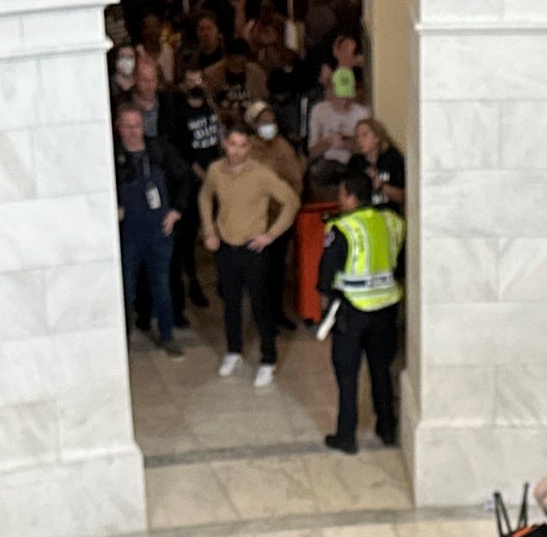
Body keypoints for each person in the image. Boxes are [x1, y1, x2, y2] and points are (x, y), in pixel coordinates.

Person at [202, 117, 301, 386]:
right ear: (225, 144)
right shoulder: (215, 171)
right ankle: (234, 351)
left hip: (253, 248)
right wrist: (209, 230)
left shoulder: (261, 173)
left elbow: (291, 201)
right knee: (230, 304)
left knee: (260, 305)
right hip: (226, 246)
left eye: (243, 145)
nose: (238, 151)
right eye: (233, 145)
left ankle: (268, 358)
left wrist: (270, 235)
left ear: (249, 147)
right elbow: (205, 196)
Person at [322, 174, 407, 455]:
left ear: (351, 198)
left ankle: (346, 436)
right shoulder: (392, 221)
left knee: (347, 376)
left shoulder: (342, 227)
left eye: (341, 195)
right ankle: (387, 428)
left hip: (352, 311)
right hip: (386, 308)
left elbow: (326, 274)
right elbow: (401, 263)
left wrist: (326, 301)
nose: (338, 200)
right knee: (381, 370)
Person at [113, 104, 183, 353]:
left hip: (159, 233)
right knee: (126, 288)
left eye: (137, 125)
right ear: (118, 128)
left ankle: (167, 336)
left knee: (162, 286)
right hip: (128, 234)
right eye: (127, 126)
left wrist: (176, 211)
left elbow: (185, 178)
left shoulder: (159, 149)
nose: (133, 131)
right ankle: (123, 339)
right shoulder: (113, 156)